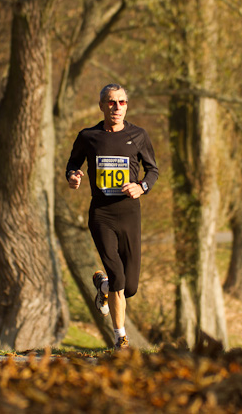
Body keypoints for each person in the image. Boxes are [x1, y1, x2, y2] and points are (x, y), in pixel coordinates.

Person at [65, 83, 159, 350]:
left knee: (129, 287)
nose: (117, 107)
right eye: (111, 102)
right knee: (118, 276)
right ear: (102, 106)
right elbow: (73, 163)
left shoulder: (138, 135)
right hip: (101, 214)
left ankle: (103, 286)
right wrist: (73, 176)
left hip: (130, 214)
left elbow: (153, 170)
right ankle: (120, 338)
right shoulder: (88, 136)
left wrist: (141, 187)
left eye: (122, 102)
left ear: (127, 105)